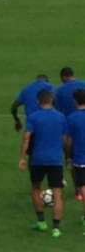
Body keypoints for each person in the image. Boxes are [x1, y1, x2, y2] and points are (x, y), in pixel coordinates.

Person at [18, 90, 67, 238]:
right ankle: (56, 229)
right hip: (56, 159)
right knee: (58, 193)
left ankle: (41, 222)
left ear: (39, 101)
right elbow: (65, 139)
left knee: (36, 188)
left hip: (38, 159)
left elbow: (27, 138)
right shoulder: (61, 117)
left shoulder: (33, 117)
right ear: (52, 100)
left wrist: (22, 158)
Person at [55, 67, 85, 201]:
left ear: (63, 77)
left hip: (71, 128)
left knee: (74, 160)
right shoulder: (83, 84)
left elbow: (57, 111)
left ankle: (78, 190)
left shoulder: (59, 91)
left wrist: (67, 157)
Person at [66, 89, 85, 234]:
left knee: (83, 187)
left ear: (75, 101)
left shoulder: (72, 118)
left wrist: (68, 157)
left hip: (80, 159)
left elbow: (68, 141)